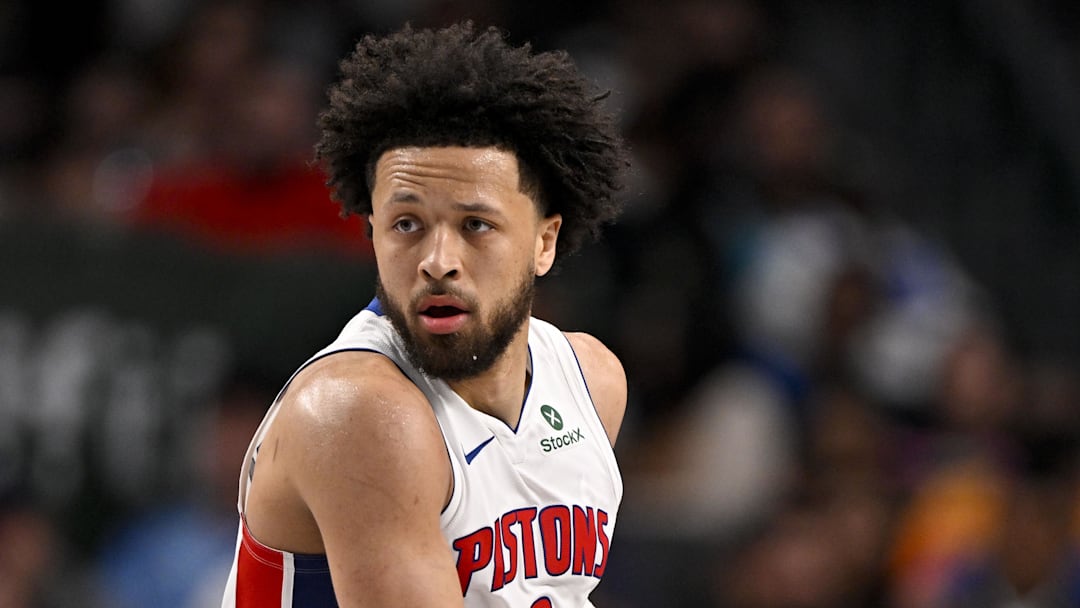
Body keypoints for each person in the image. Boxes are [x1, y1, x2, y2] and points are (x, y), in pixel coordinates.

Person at [220, 21, 629, 607]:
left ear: (545, 243)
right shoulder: (360, 411)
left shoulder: (592, 382)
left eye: (476, 226)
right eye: (406, 224)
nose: (438, 262)